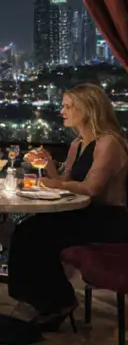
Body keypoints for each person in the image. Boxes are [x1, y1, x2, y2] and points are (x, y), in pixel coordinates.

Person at [9, 83, 128, 329]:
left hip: (109, 219)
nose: (62, 111)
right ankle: (40, 299)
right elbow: (68, 182)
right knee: (26, 229)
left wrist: (47, 183)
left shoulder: (109, 143)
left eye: (68, 106)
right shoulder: (78, 143)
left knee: (38, 234)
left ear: (88, 109)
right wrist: (49, 165)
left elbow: (92, 188)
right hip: (83, 213)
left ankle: (60, 301)